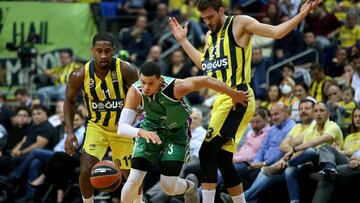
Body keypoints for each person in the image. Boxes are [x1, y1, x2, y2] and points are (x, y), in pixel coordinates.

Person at [169, 0, 322, 201]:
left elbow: (276, 32)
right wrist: (183, 41)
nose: (207, 22)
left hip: (238, 97)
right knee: (223, 159)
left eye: (210, 17)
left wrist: (301, 14)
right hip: (221, 99)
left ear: (221, 10)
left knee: (207, 153)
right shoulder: (209, 36)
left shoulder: (239, 23)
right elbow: (205, 65)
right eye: (204, 18)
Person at [117, 61, 249, 203]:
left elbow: (206, 80)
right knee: (133, 180)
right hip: (150, 129)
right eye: (143, 82)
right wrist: (141, 132)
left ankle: (190, 185)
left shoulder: (175, 87)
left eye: (150, 83)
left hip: (176, 133)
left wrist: (233, 94)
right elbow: (122, 128)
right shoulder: (135, 91)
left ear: (160, 80)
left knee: (168, 187)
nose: (145, 87)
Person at [63, 33, 138, 203]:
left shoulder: (126, 70)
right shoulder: (79, 75)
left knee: (131, 175)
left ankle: (139, 201)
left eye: (107, 51)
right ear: (92, 51)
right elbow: (69, 101)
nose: (103, 55)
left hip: (123, 127)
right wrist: (69, 132)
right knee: (86, 169)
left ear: (114, 51)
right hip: (97, 127)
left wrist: (139, 113)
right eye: (99, 51)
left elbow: (140, 96)